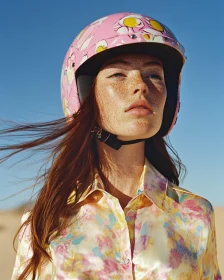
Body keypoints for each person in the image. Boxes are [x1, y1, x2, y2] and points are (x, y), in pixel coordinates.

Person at [3, 12, 220, 279]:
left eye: (154, 75)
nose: (140, 86)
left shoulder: (196, 215)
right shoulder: (46, 220)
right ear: (84, 95)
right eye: (118, 74)